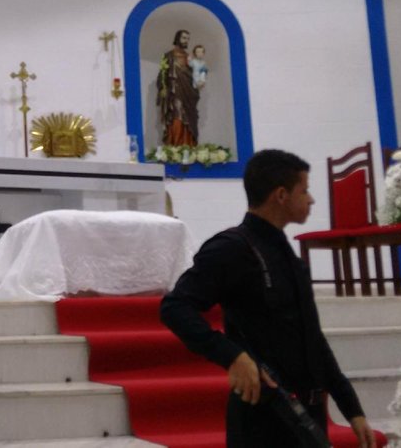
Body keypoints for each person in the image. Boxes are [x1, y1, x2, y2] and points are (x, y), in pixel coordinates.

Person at [159, 150, 377, 448]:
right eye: (305, 190)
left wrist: (352, 409)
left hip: (307, 415)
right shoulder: (231, 248)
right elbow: (175, 307)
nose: (311, 199)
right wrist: (232, 356)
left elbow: (312, 339)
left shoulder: (287, 255)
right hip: (262, 416)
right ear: (281, 195)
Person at [156, 28, 199, 146]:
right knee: (177, 117)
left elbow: (195, 74)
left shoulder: (189, 57)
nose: (186, 41)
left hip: (189, 94)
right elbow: (162, 75)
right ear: (177, 38)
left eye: (188, 39)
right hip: (174, 92)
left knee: (189, 119)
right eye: (184, 38)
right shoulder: (169, 56)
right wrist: (163, 88)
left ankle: (188, 145)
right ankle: (175, 146)